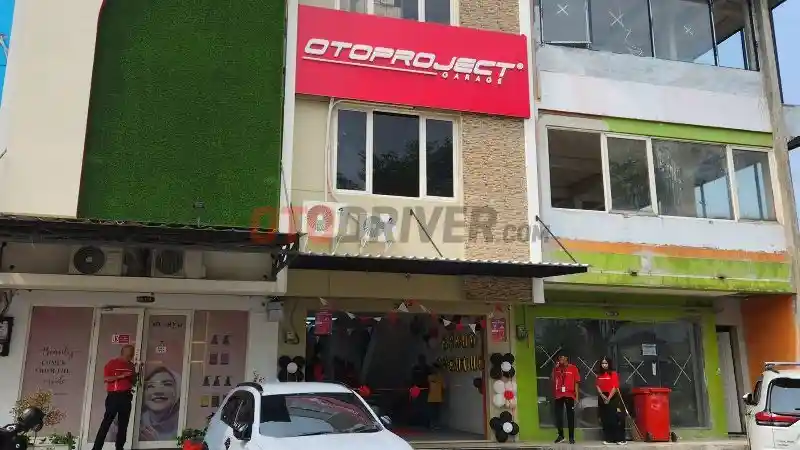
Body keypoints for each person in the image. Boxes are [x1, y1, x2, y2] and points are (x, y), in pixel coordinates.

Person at [92, 345, 137, 450]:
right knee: (106, 423)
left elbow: (133, 382)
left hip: (126, 396)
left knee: (123, 425)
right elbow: (106, 378)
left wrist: (133, 377)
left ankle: (119, 447)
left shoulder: (131, 365)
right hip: (114, 396)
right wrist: (121, 376)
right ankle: (96, 448)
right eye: (128, 355)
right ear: (122, 353)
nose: (129, 357)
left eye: (131, 355)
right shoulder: (112, 363)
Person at [139, 366, 181, 441]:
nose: (157, 391)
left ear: (178, 391)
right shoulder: (135, 422)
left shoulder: (183, 425)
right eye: (151, 386)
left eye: (167, 384)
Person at [596, 357, 626, 445]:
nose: (604, 365)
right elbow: (597, 385)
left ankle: (619, 439)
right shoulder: (599, 374)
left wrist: (608, 398)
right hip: (602, 397)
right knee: (605, 419)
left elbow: (615, 387)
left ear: (609, 364)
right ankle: (609, 438)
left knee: (614, 419)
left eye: (606, 363)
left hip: (612, 397)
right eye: (603, 363)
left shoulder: (613, 373)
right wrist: (602, 396)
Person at [552, 352, 580, 444]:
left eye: (562, 357)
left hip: (569, 394)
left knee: (570, 416)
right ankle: (561, 435)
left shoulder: (573, 368)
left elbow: (576, 382)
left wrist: (577, 396)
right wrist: (555, 368)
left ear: (566, 358)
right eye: (559, 357)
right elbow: (553, 379)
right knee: (558, 416)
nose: (560, 359)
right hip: (559, 394)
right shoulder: (557, 368)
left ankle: (571, 437)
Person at [426, 363, 445, 430]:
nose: (434, 370)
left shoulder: (440, 377)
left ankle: (435, 425)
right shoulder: (431, 377)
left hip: (438, 397)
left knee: (437, 411)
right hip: (431, 397)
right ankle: (432, 424)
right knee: (432, 411)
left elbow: (443, 387)